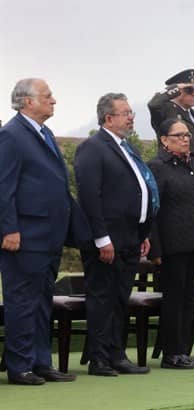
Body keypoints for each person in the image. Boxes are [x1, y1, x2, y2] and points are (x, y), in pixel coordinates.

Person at [0, 78, 89, 384]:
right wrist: (8, 229)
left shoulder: (44, 132)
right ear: (28, 101)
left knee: (42, 301)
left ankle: (40, 361)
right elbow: (4, 186)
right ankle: (19, 366)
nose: (54, 101)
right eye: (48, 96)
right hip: (24, 235)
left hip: (49, 235)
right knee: (22, 301)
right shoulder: (11, 135)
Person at [74, 93, 158, 376]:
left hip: (130, 237)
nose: (131, 116)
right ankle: (98, 358)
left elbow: (138, 189)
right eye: (125, 112)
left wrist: (142, 231)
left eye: (131, 111)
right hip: (106, 239)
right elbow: (89, 197)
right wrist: (101, 237)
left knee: (121, 297)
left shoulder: (126, 148)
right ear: (108, 118)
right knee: (102, 298)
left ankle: (116, 353)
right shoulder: (92, 148)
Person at [148, 118, 194, 369]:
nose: (186, 139)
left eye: (187, 135)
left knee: (188, 298)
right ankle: (171, 352)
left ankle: (183, 350)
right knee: (173, 299)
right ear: (164, 140)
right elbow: (152, 211)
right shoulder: (157, 167)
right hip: (171, 244)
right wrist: (155, 248)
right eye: (179, 135)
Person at [148, 69, 194, 171]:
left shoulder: (193, 115)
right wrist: (175, 88)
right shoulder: (166, 110)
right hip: (175, 170)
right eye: (189, 90)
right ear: (177, 92)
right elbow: (153, 104)